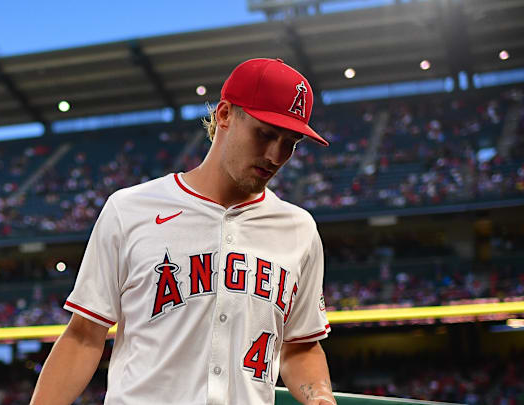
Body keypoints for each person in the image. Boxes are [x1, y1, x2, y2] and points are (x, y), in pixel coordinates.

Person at [30, 58, 335, 405]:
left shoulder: (299, 230)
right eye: (264, 134)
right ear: (224, 115)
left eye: (290, 142)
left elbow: (300, 347)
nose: (276, 155)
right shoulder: (130, 209)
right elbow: (84, 337)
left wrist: (319, 396)